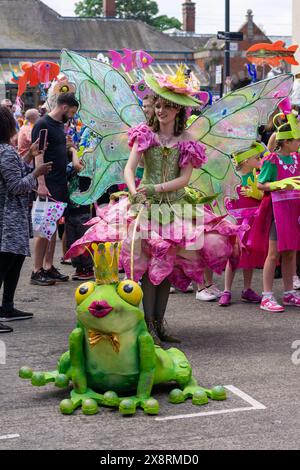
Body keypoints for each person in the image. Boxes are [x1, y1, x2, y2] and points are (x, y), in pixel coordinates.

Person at [66, 71, 242, 344]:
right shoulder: (144, 135)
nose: (161, 111)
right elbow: (129, 168)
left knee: (167, 269)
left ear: (178, 110)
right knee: (148, 270)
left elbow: (184, 179)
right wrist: (135, 192)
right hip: (144, 210)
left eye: (167, 106)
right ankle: (147, 326)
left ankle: (159, 325)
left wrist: (155, 189)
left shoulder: (186, 142)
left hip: (175, 210)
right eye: (158, 105)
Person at [0, 105, 52, 333]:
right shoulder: (6, 152)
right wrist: (36, 174)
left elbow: (17, 172)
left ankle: (7, 306)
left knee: (15, 260)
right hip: (8, 218)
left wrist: (30, 154)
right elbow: (15, 185)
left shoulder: (6, 151)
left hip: (11, 217)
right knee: (5, 264)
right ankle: (6, 306)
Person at [251, 112, 300, 312]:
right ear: (286, 142)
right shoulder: (272, 159)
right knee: (274, 254)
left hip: (294, 210)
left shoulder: (297, 158)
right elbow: (261, 185)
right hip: (277, 212)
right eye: (296, 140)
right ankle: (267, 296)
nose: (299, 143)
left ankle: (289, 293)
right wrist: (279, 184)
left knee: (291, 253)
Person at [30, 93, 79, 286]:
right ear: (65, 107)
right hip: (48, 183)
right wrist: (41, 183)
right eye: (72, 112)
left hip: (59, 183)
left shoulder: (59, 125)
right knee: (43, 228)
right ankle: (36, 270)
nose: (72, 116)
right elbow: (38, 154)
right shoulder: (43, 124)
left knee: (52, 228)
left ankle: (48, 266)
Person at [218, 143, 265, 306]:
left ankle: (247, 289)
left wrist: (257, 194)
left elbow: (263, 196)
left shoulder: (258, 176)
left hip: (251, 222)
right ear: (245, 161)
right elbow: (222, 198)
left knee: (249, 255)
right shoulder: (232, 178)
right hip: (236, 224)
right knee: (234, 256)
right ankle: (226, 290)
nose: (260, 160)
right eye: (256, 158)